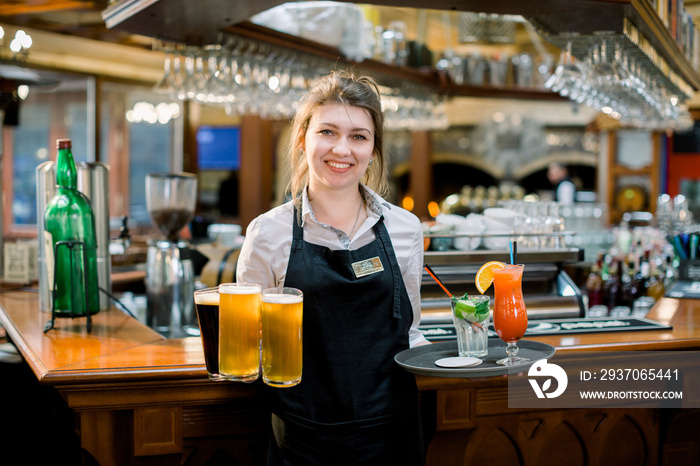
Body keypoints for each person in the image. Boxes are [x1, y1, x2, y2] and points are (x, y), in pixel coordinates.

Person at [236, 71, 428, 466]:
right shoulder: (267, 233)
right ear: (303, 138)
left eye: (359, 136)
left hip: (394, 433)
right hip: (303, 440)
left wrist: (465, 351)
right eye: (328, 132)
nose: (343, 149)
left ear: (373, 150)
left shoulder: (406, 229)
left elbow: (409, 329)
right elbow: (249, 343)